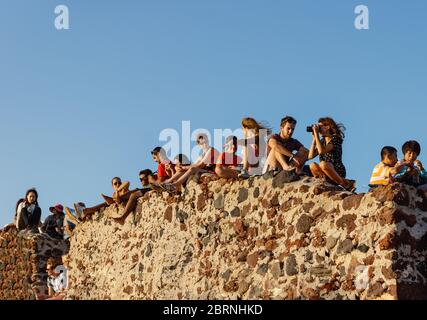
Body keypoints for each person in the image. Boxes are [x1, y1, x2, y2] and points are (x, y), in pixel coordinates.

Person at [154, 134, 220, 193]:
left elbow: (200, 165)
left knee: (192, 169)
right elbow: (194, 164)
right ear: (199, 145)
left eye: (205, 142)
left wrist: (183, 167)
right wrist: (180, 168)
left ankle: (175, 185)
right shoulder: (202, 155)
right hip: (205, 170)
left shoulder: (211, 150)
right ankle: (167, 183)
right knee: (182, 171)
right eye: (202, 143)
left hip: (212, 171)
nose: (204, 144)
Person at [308, 117, 355, 192]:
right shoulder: (322, 141)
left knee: (323, 164)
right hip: (326, 172)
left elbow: (321, 151)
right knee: (312, 165)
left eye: (320, 127)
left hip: (337, 170)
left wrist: (316, 134)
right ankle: (326, 182)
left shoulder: (336, 139)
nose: (318, 129)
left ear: (327, 127)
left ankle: (345, 184)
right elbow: (310, 156)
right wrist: (314, 139)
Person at [65, 177, 130, 222]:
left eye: (119, 182)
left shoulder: (123, 189)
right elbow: (113, 202)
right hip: (113, 203)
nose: (118, 184)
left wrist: (117, 190)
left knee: (104, 204)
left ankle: (85, 211)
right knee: (104, 204)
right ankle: (85, 213)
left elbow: (127, 182)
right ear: (112, 186)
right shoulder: (114, 194)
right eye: (115, 183)